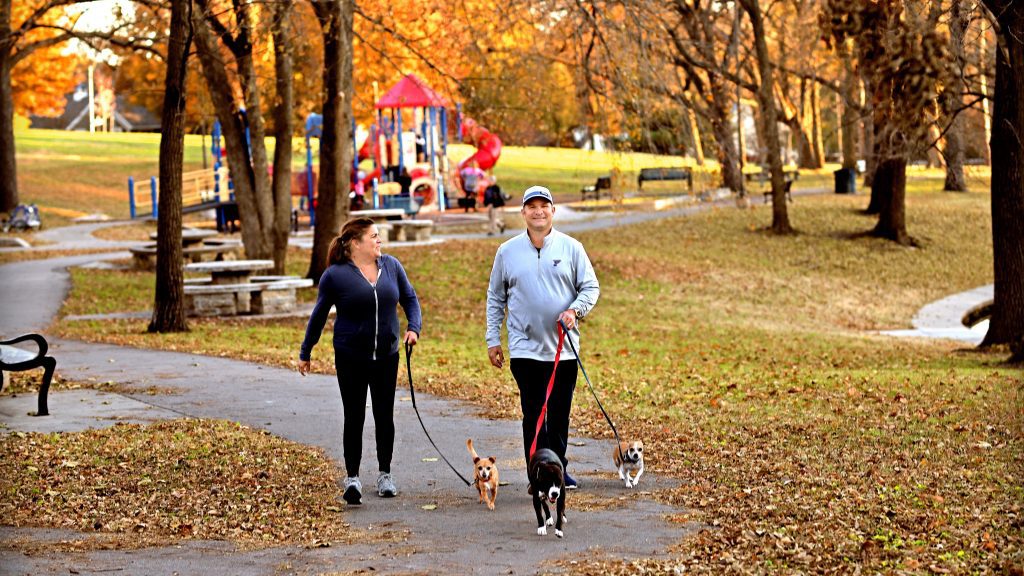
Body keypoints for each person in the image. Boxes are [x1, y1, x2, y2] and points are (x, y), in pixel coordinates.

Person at [298, 217, 422, 505]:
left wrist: (413, 328)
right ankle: (352, 478)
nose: (379, 241)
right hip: (351, 356)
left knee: (384, 415)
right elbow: (318, 315)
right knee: (354, 415)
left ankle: (385, 475)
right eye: (374, 237)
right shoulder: (335, 275)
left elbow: (410, 298)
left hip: (387, 355)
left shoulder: (391, 266)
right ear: (356, 243)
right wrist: (306, 351)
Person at [485, 185, 599, 489]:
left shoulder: (571, 248)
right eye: (531, 206)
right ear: (523, 212)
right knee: (534, 414)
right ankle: (538, 474)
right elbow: (495, 297)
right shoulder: (507, 252)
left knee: (559, 415)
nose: (538, 211)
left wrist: (575, 311)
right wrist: (492, 339)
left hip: (564, 350)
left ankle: (558, 470)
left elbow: (590, 288)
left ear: (553, 211)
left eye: (544, 206)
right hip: (525, 351)